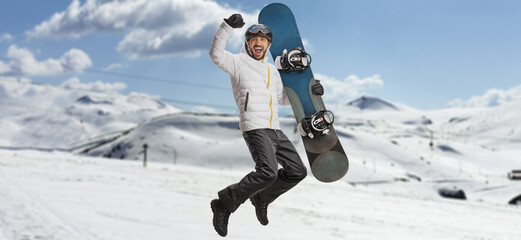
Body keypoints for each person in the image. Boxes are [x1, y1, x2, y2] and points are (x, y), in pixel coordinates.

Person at [208, 13, 323, 237]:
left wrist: (311, 91)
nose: (258, 43)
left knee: (297, 171)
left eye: (263, 41)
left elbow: (283, 99)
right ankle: (223, 204)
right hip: (255, 127)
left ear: (268, 45)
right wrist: (226, 27)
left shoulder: (272, 70)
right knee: (268, 172)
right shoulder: (238, 62)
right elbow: (216, 54)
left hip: (274, 128)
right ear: (247, 43)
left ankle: (261, 197)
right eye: (254, 40)